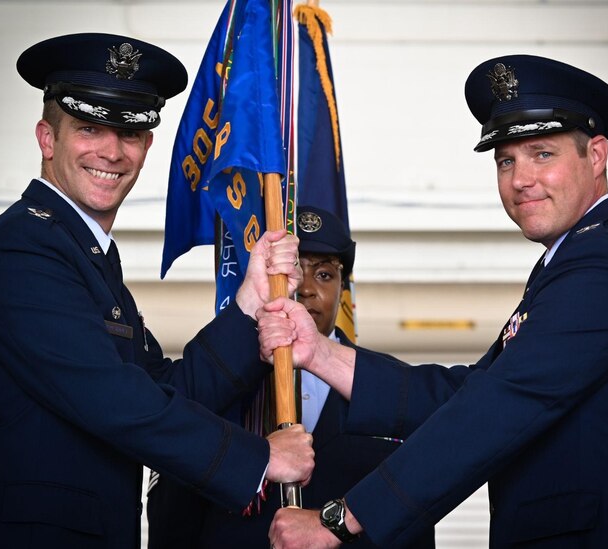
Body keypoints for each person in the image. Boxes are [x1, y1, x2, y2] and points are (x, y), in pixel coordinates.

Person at [259, 54, 608, 548]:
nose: (520, 179)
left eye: (542, 154)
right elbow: (468, 395)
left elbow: (494, 411)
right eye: (506, 160)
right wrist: (321, 354)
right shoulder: (584, 257)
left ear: (595, 155)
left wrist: (339, 520)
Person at [0, 33, 314, 549]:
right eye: (90, 128)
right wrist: (259, 458)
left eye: (129, 134)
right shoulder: (21, 250)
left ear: (146, 146)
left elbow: (168, 392)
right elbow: (117, 401)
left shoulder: (84, 256)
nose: (111, 152)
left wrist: (248, 303)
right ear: (48, 138)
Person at [146, 206, 435, 548]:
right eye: (291, 272)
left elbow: (415, 513)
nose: (307, 289)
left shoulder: (387, 385)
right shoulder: (218, 375)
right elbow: (173, 510)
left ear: (345, 288)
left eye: (325, 275)